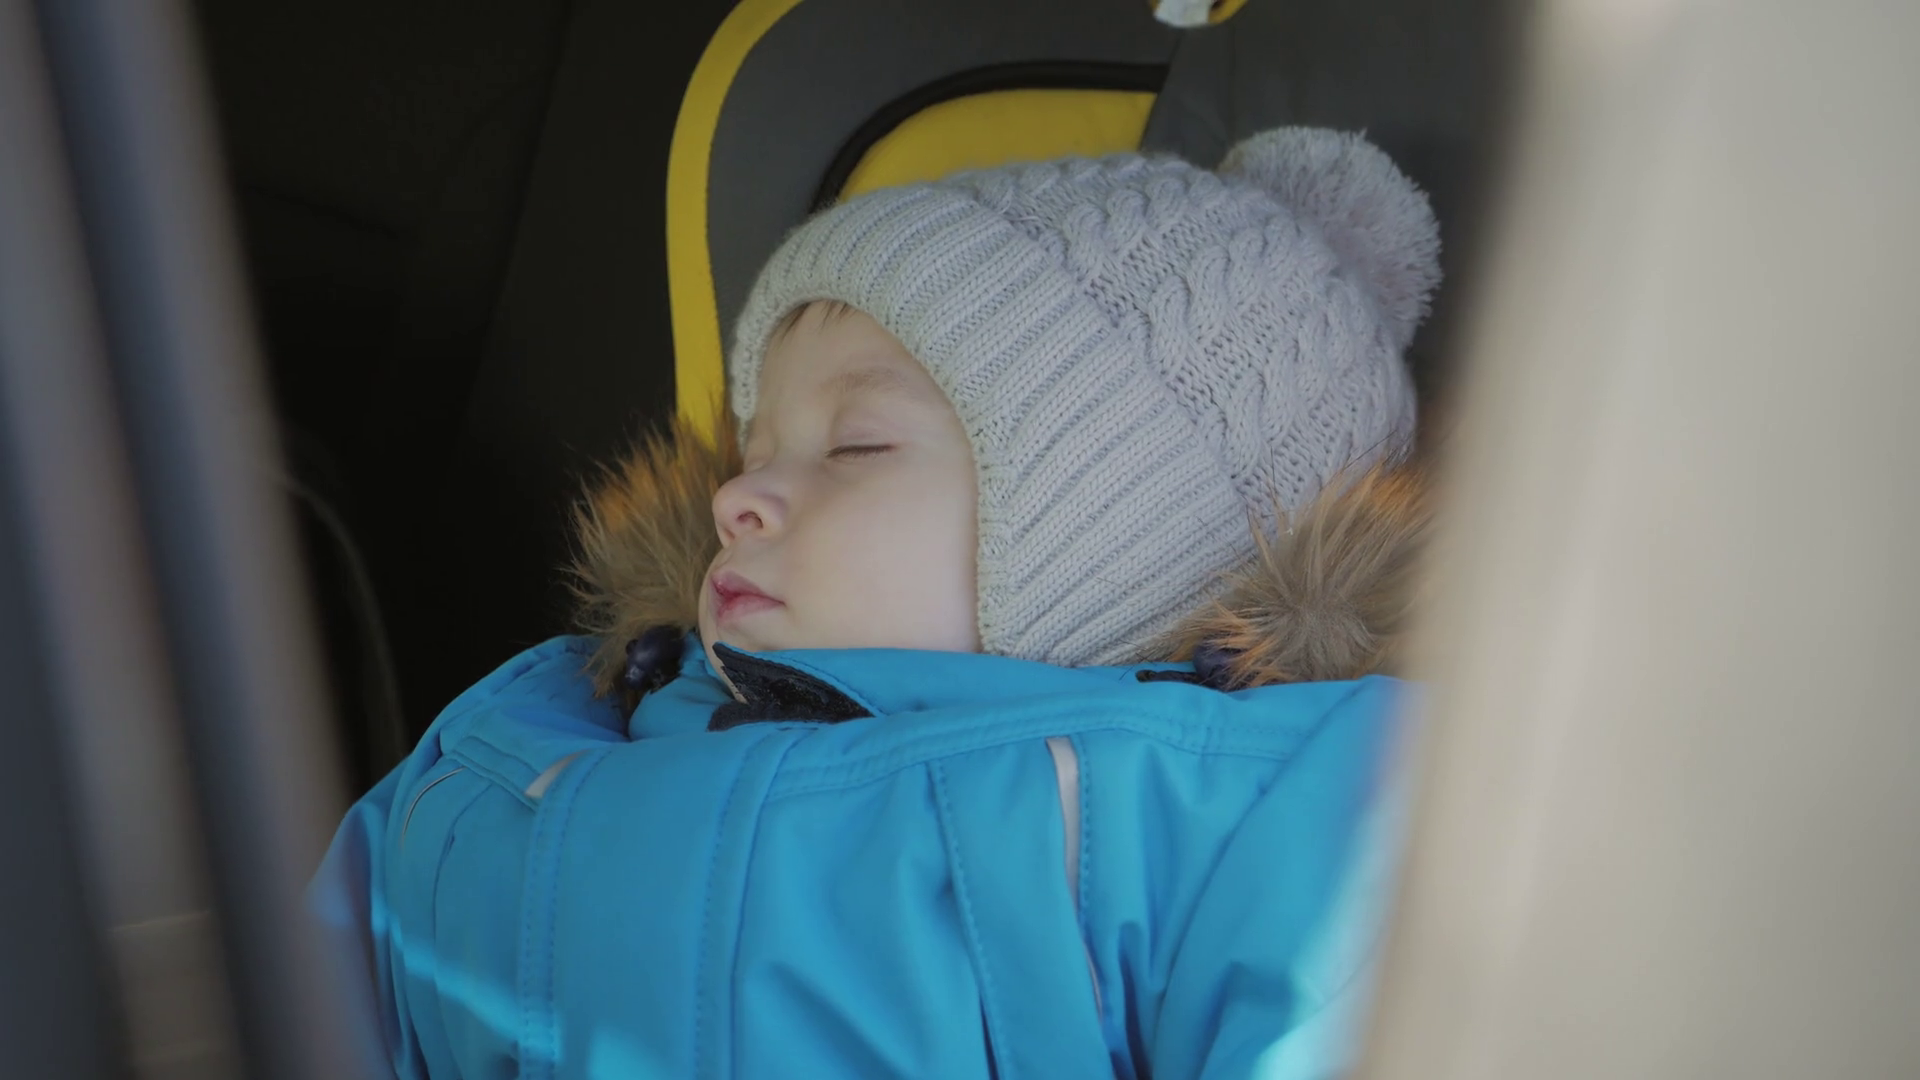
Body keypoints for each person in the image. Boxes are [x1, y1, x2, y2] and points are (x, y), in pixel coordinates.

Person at [313, 126, 1438, 1080]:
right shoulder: (532, 733)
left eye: (854, 445)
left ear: (1112, 542)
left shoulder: (1239, 813)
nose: (741, 496)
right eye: (753, 449)